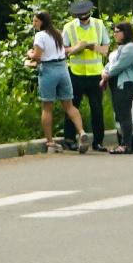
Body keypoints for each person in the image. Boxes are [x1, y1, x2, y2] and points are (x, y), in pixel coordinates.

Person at [29, 11, 88, 155]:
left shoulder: (40, 36)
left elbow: (37, 57)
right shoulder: (57, 33)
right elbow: (64, 51)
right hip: (63, 69)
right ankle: (81, 132)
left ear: (42, 22)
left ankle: (50, 142)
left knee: (47, 107)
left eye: (36, 21)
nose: (34, 24)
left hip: (48, 70)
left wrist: (29, 54)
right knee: (69, 105)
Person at [60, 0, 110, 151]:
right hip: (76, 73)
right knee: (72, 107)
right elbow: (63, 50)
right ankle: (70, 139)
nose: (84, 18)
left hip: (95, 74)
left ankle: (98, 141)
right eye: (81, 16)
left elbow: (105, 49)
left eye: (86, 15)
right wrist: (76, 48)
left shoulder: (99, 25)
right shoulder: (69, 27)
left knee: (97, 109)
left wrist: (92, 46)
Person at [100, 22, 133, 154]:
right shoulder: (119, 49)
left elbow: (119, 66)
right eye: (114, 31)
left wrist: (106, 75)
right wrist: (104, 72)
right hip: (116, 84)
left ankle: (126, 144)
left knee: (124, 115)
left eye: (118, 31)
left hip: (125, 84)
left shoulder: (131, 48)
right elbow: (110, 64)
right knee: (119, 114)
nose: (115, 34)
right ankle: (122, 143)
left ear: (126, 33)